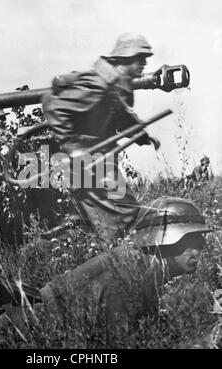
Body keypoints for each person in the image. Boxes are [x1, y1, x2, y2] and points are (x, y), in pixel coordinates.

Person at [0, 196, 212, 348]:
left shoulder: (138, 268)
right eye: (190, 240)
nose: (198, 249)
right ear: (164, 239)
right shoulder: (126, 278)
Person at [42, 33, 160, 244]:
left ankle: (70, 249)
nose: (144, 63)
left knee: (112, 218)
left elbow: (121, 116)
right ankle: (107, 264)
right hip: (87, 164)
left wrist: (142, 136)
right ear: (125, 58)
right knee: (122, 214)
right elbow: (52, 104)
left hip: (98, 163)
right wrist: (73, 148)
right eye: (140, 58)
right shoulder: (98, 85)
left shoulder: (113, 86)